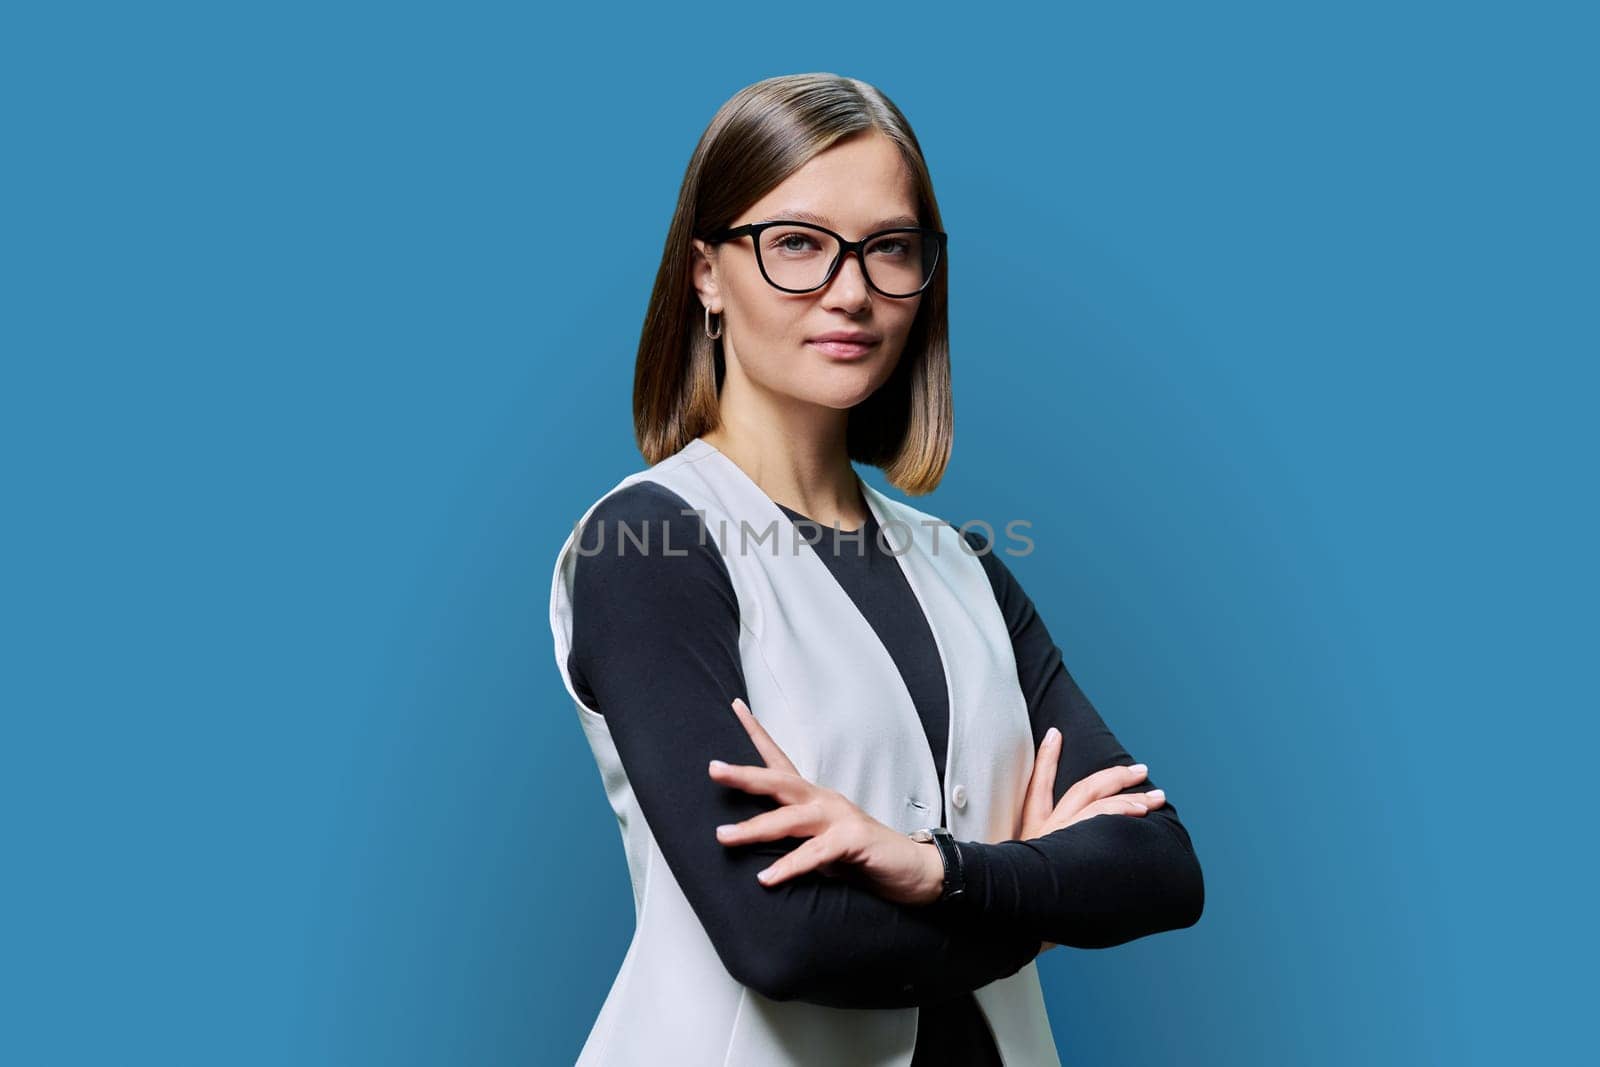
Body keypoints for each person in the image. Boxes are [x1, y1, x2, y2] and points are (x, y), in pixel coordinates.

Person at [548, 72, 1204, 1067]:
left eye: (888, 248)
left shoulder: (966, 568)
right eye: (797, 244)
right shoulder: (650, 548)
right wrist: (1029, 896)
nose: (851, 289)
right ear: (706, 275)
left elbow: (1159, 868)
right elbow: (783, 935)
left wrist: (925, 866)